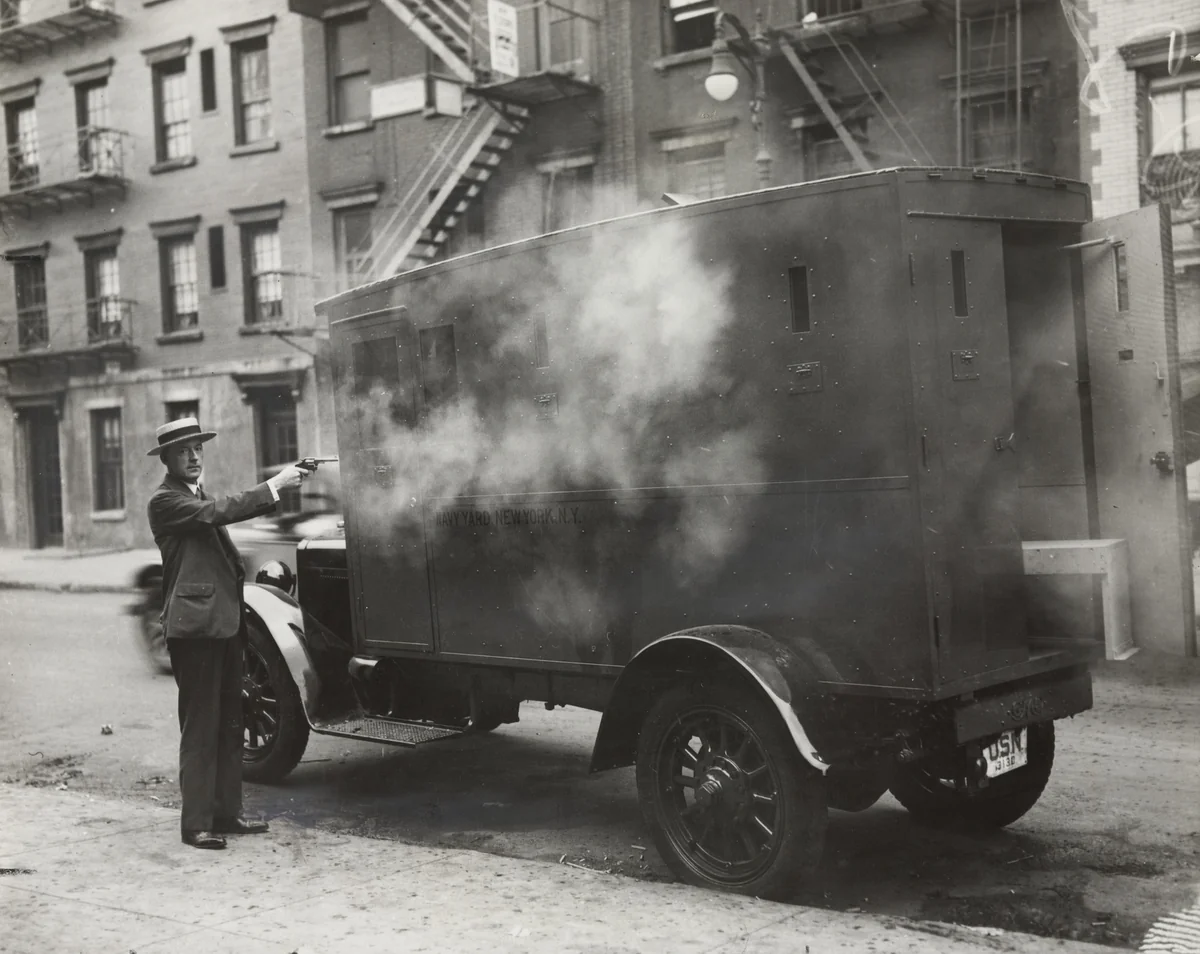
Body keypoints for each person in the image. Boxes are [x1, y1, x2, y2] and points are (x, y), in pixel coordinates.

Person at [146, 417, 307, 850]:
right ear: (166, 459)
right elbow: (217, 513)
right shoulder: (166, 501)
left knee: (230, 721)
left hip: (223, 624)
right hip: (195, 629)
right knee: (201, 728)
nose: (194, 456)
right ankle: (195, 823)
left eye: (197, 448)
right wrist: (276, 486)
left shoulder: (196, 496)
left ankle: (227, 814)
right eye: (183, 451)